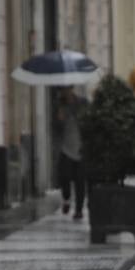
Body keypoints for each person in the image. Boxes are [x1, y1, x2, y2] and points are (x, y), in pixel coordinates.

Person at [55, 86, 88, 220]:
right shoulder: (58, 105)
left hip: (81, 147)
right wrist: (59, 120)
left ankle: (79, 210)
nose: (66, 92)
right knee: (65, 177)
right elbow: (55, 128)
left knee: (80, 181)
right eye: (63, 90)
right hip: (66, 148)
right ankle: (67, 199)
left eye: (68, 89)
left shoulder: (82, 103)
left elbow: (88, 120)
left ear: (72, 89)